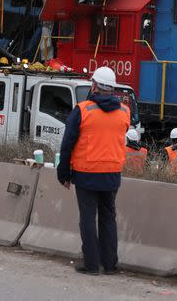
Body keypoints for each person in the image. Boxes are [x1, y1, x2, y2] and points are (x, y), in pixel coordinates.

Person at [57, 66, 130, 276]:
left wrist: (63, 173)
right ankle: (110, 265)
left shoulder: (82, 110)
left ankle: (91, 265)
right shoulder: (125, 112)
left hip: (86, 173)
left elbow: (67, 144)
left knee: (88, 219)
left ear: (95, 86)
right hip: (112, 174)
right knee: (108, 219)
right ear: (113, 89)